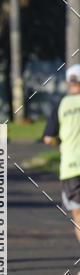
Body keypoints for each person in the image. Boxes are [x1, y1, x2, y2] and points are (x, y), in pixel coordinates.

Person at [43, 64, 80, 258]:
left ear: (68, 82)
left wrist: (61, 140)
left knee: (78, 217)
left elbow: (48, 138)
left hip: (71, 168)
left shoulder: (61, 104)